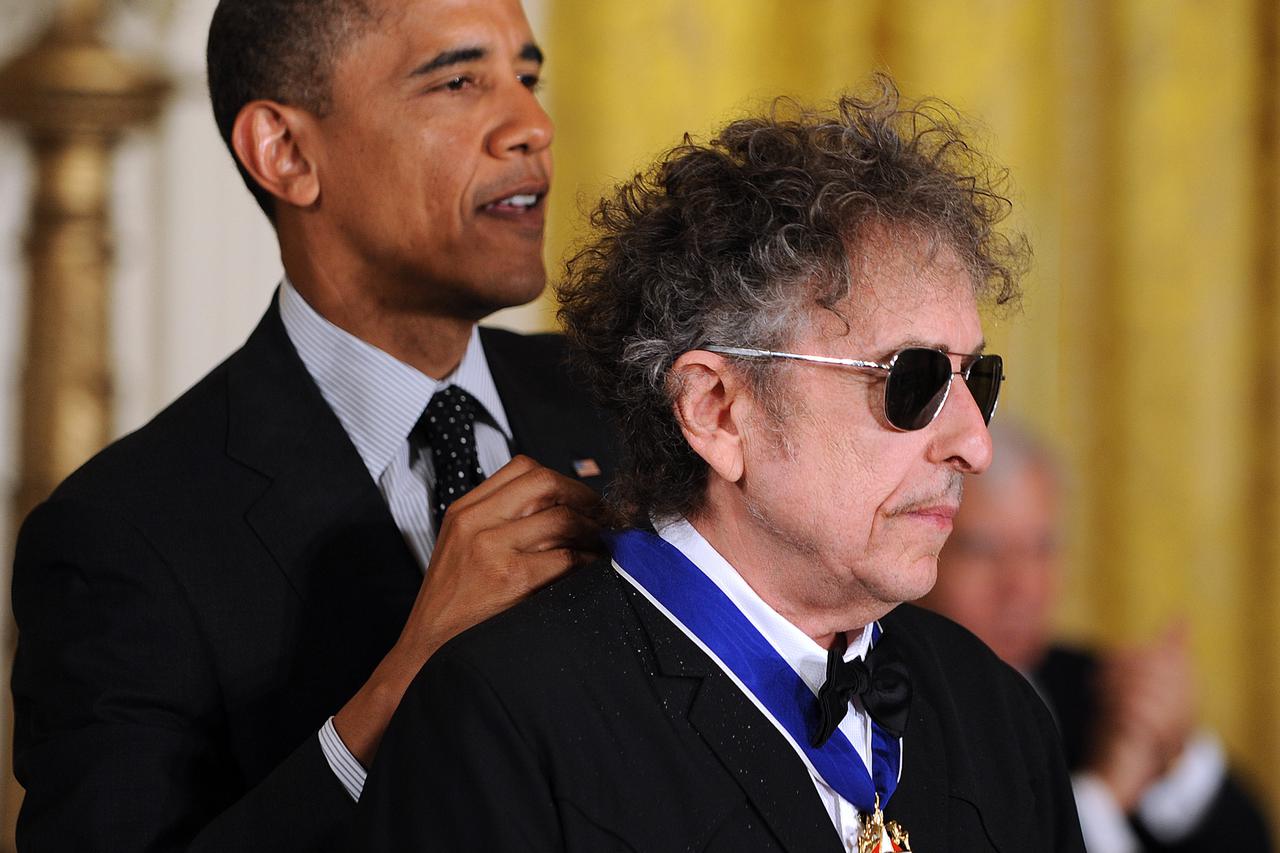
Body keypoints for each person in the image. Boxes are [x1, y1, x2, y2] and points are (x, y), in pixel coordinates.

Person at [357, 81, 1086, 852]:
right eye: (914, 381)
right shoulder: (507, 719)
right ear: (716, 408)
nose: (974, 445)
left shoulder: (996, 710)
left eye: (977, 379)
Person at [9, 0, 618, 850]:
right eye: (458, 80)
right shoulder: (120, 538)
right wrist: (407, 682)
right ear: (287, 153)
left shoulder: (630, 403)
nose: (532, 125)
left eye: (527, 77)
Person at [920, 422, 1273, 853]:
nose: (1022, 587)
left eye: (1042, 548)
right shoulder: (889, 708)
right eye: (985, 550)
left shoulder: (1095, 685)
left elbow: (1251, 838)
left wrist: (1174, 754)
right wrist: (1102, 798)